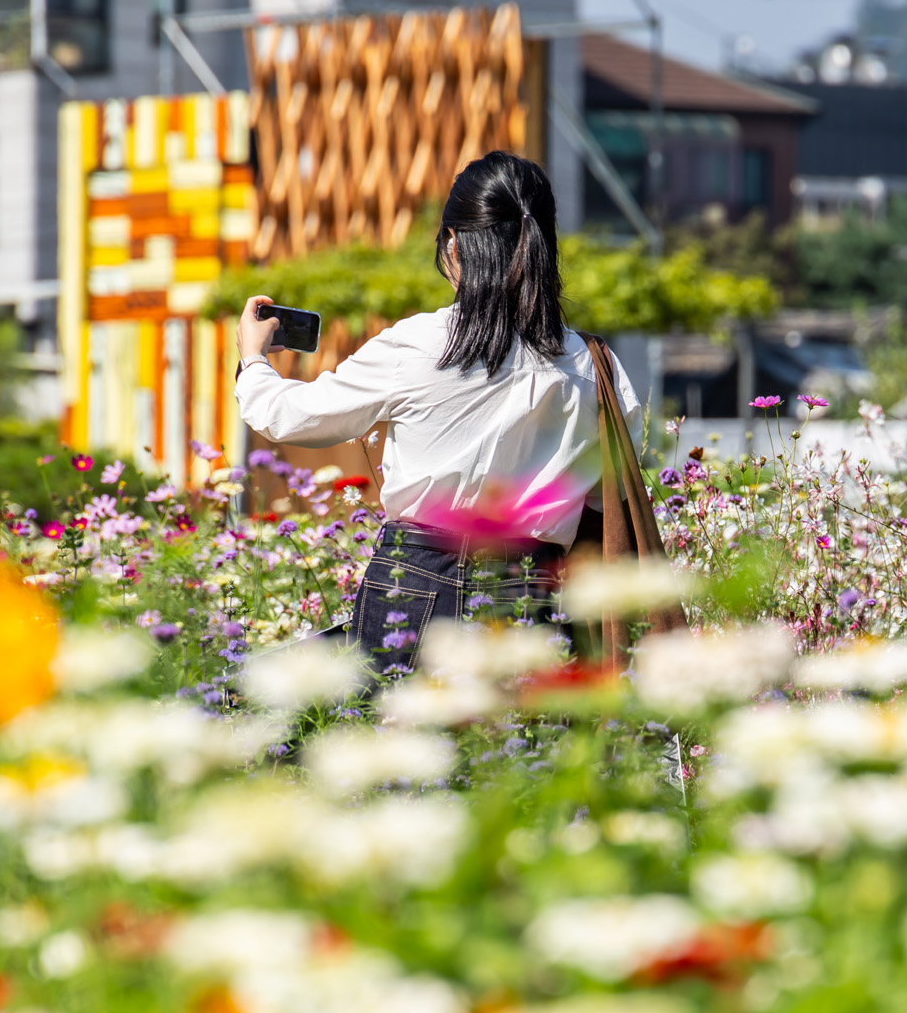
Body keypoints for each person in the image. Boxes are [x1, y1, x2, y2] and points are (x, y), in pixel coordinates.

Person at [233, 151, 643, 675]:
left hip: (415, 574)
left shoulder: (420, 344)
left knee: (398, 747)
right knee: (515, 752)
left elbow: (290, 416)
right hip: (530, 588)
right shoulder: (592, 364)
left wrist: (253, 357)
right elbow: (610, 494)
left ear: (453, 244)